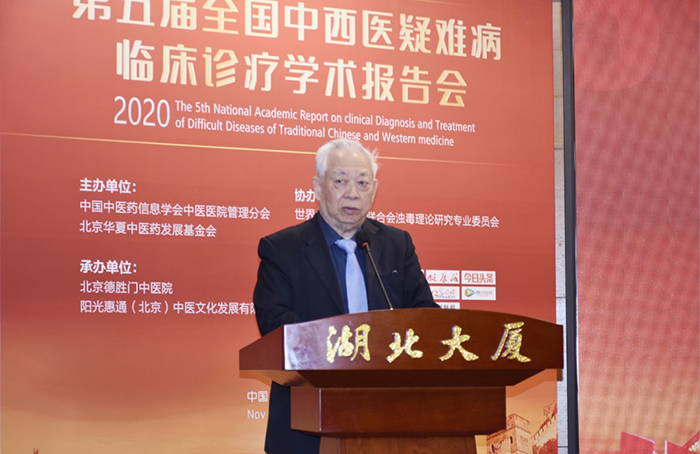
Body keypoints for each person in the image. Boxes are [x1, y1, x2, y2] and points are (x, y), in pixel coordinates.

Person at [253, 138, 438, 454]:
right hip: (307, 429)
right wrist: (347, 349)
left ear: (374, 190)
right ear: (317, 186)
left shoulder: (397, 245)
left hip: (391, 424)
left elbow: (425, 315)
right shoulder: (281, 249)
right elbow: (275, 325)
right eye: (340, 181)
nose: (352, 193)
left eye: (363, 183)